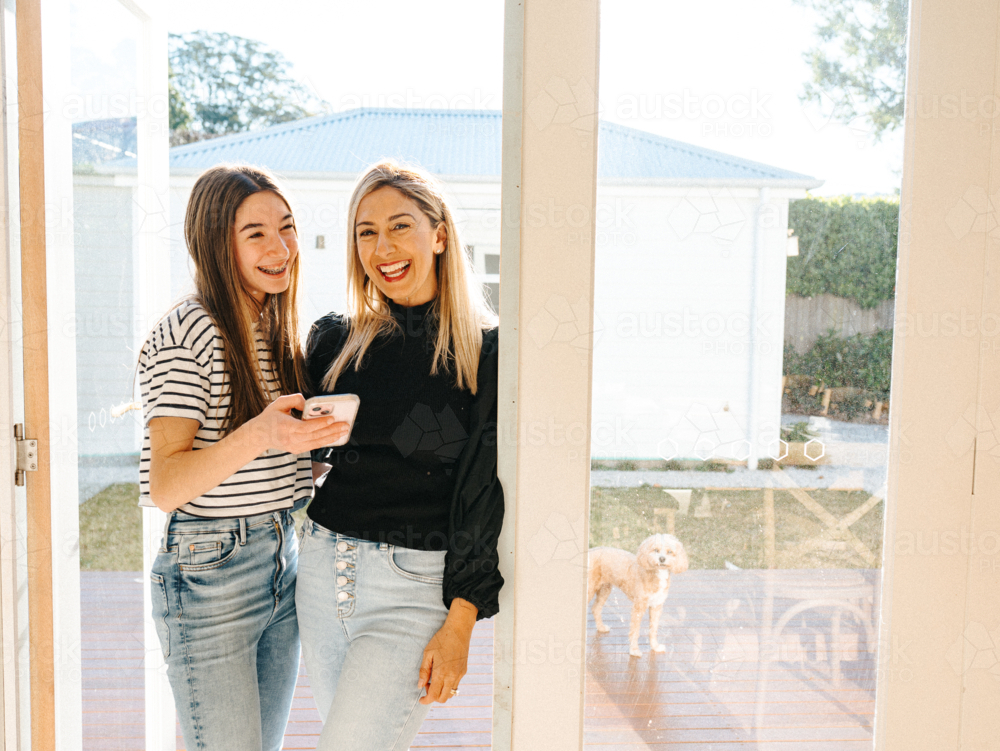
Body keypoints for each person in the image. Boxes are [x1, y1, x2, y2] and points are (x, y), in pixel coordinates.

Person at [139, 164, 348, 751]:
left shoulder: (269, 326)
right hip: (212, 574)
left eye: (286, 227)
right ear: (215, 241)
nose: (280, 247)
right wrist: (261, 436)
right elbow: (168, 484)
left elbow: (245, 460)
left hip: (281, 558)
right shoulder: (190, 331)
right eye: (255, 233)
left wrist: (306, 462)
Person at [297, 159, 504, 750]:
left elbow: (482, 492)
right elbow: (307, 457)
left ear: (440, 235)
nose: (382, 247)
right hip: (320, 571)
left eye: (400, 226)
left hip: (412, 588)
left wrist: (461, 620)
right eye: (366, 231)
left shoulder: (484, 352)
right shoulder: (335, 339)